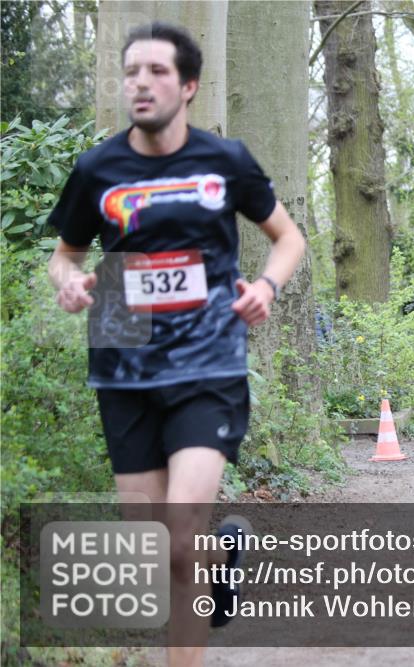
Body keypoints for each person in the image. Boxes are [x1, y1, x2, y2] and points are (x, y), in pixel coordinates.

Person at [46, 22, 305, 667]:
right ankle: (224, 560)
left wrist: (267, 288)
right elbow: (65, 256)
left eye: (157, 71)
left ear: (188, 86)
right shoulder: (97, 168)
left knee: (180, 533)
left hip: (207, 360)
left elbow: (288, 237)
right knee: (156, 548)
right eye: (132, 71)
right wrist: (72, 283)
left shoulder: (225, 161)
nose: (141, 82)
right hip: (122, 358)